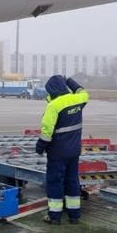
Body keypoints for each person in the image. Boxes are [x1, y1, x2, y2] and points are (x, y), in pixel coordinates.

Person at [35, 75, 90, 224]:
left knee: (55, 182)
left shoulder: (53, 106)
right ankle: (74, 216)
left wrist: (39, 147)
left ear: (51, 90)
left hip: (57, 153)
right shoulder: (78, 100)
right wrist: (70, 81)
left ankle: (54, 217)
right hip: (74, 151)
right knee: (72, 181)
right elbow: (83, 92)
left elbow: (47, 132)